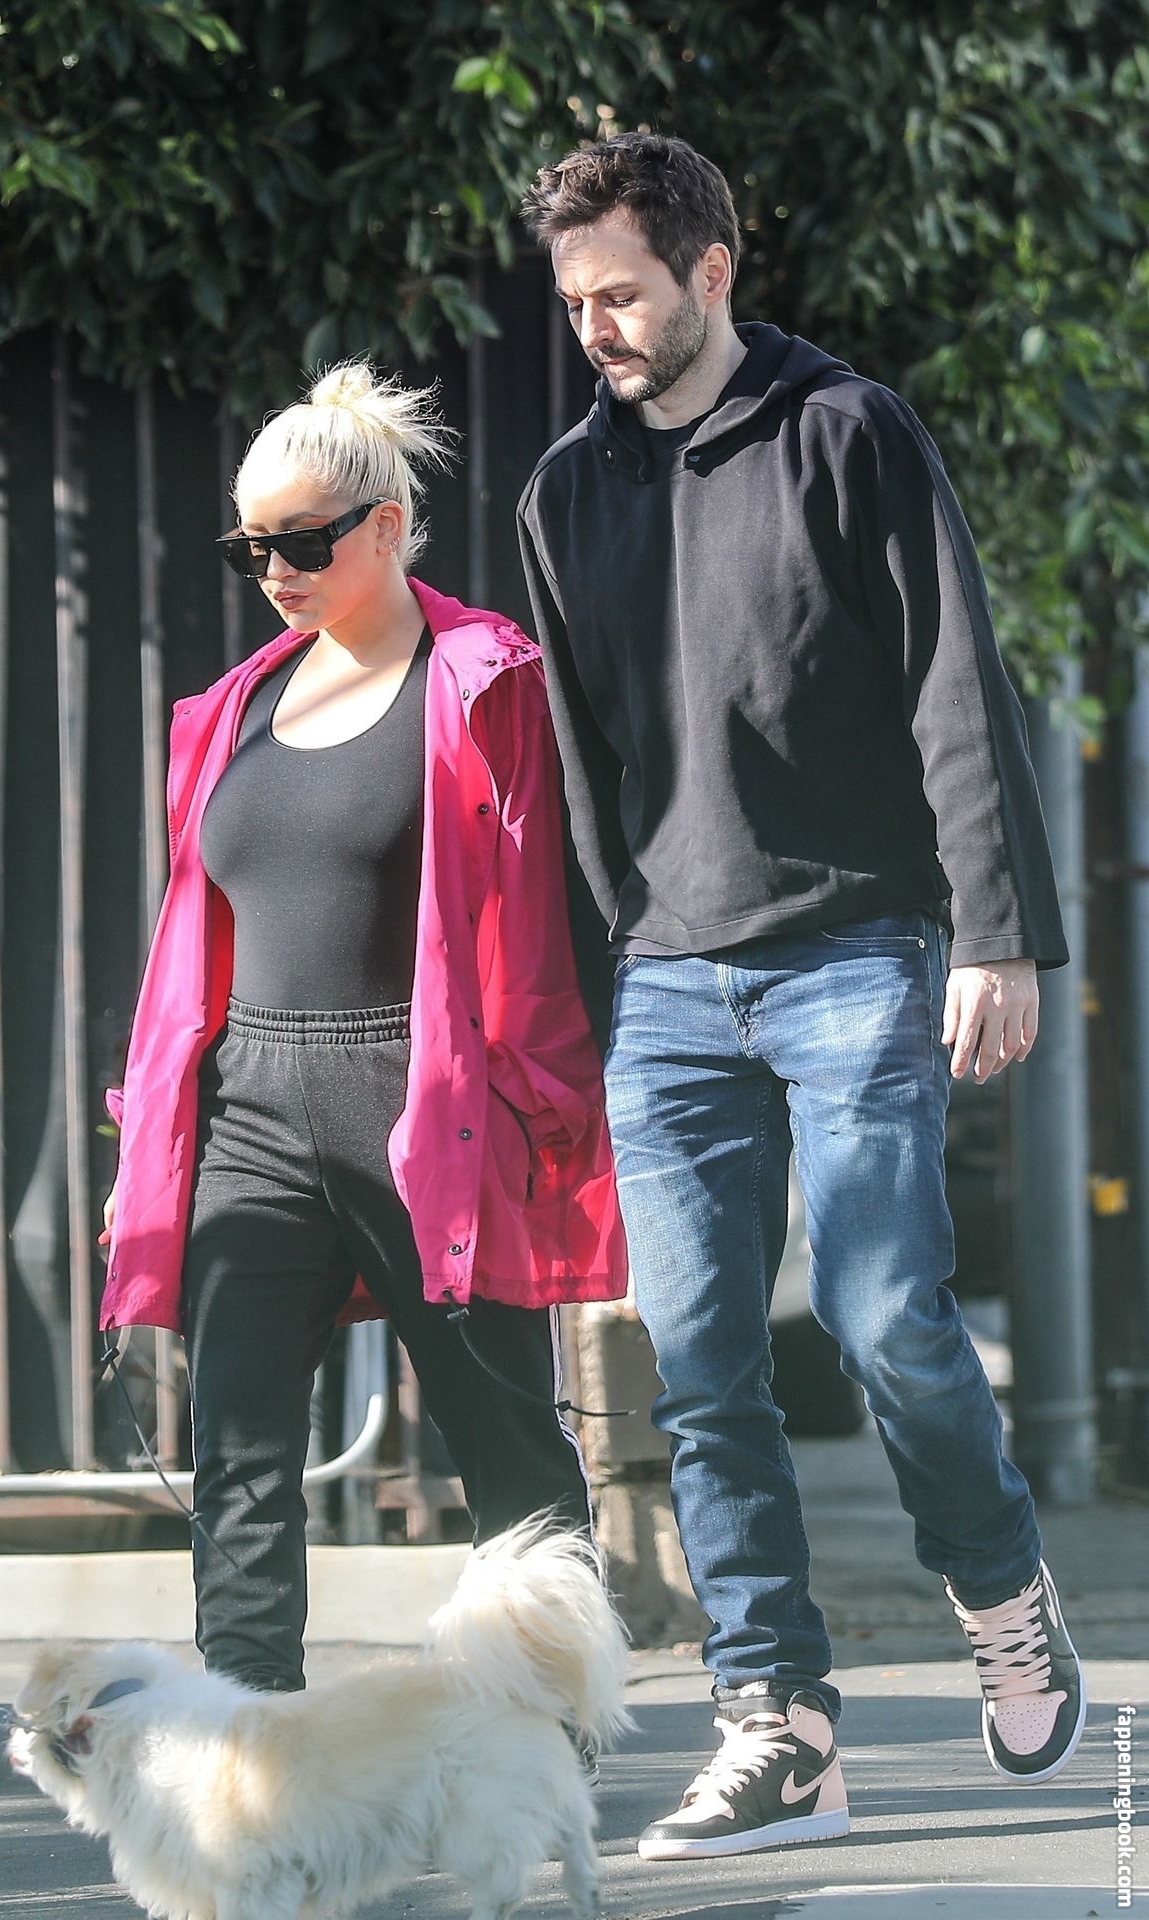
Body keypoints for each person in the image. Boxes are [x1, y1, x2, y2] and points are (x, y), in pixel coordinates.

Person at [517, 132, 1084, 1859]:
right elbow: (582, 765)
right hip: (671, 981)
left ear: (712, 269)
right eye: (577, 301)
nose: (599, 326)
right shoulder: (565, 493)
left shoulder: (849, 430)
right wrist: (611, 973)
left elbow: (953, 682)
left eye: (624, 292)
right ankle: (780, 1721)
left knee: (884, 1310)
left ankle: (1002, 1588)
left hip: (856, 949)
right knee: (695, 1360)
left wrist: (994, 933)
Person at [98, 362, 626, 1698]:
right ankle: (246, 1747)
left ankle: (555, 1723)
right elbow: (189, 946)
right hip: (250, 1106)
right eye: (251, 546)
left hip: (426, 1096)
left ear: (386, 527)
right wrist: (153, 1135)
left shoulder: (487, 682)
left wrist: (554, 1111)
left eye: (302, 542)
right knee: (238, 1446)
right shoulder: (235, 707)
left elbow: (559, 913)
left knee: (502, 1435)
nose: (273, 570)